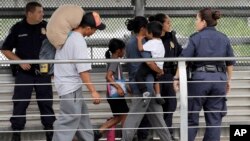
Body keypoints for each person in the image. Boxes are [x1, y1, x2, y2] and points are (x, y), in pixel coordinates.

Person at [173, 8, 235, 141]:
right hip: (219, 80)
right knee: (214, 120)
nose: (195, 22)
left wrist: (176, 77)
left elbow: (183, 60)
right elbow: (230, 63)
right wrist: (228, 81)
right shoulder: (224, 38)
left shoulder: (195, 37)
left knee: (191, 117)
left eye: (197, 19)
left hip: (199, 80)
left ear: (204, 22)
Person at [0, 2, 56, 141]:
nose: (42, 14)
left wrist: (54, 68)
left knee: (46, 102)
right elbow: (5, 49)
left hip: (43, 73)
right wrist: (20, 61)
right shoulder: (18, 28)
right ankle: (16, 134)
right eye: (39, 12)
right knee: (20, 102)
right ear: (29, 13)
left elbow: (57, 47)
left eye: (42, 12)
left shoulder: (47, 26)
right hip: (24, 74)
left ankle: (50, 132)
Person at [52, 11, 105, 141]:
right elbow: (83, 70)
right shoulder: (78, 41)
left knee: (82, 120)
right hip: (71, 88)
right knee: (67, 122)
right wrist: (93, 91)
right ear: (88, 28)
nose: (94, 32)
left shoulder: (67, 37)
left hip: (69, 87)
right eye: (95, 30)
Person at [121, 16, 172, 141]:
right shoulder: (143, 42)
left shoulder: (130, 42)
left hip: (142, 85)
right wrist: (160, 70)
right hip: (144, 86)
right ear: (143, 29)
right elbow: (149, 62)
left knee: (157, 117)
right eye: (148, 27)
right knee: (135, 118)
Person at [149, 13, 182, 140]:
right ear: (161, 24)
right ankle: (143, 135)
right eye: (168, 22)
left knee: (170, 105)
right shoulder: (151, 37)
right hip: (154, 76)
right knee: (151, 105)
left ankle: (168, 135)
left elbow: (180, 53)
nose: (170, 25)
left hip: (168, 75)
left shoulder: (172, 37)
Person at [94, 38, 129, 140]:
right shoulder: (114, 61)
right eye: (123, 49)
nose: (124, 52)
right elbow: (108, 77)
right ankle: (125, 138)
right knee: (123, 116)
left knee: (118, 117)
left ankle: (98, 132)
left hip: (112, 96)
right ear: (118, 50)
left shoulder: (112, 60)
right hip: (116, 96)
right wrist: (118, 87)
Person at [135, 21, 165, 106]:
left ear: (150, 33)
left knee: (138, 75)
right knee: (156, 80)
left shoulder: (151, 43)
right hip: (159, 66)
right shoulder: (160, 42)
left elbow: (141, 49)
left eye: (147, 32)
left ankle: (144, 91)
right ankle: (158, 95)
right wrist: (160, 70)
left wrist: (139, 39)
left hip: (152, 65)